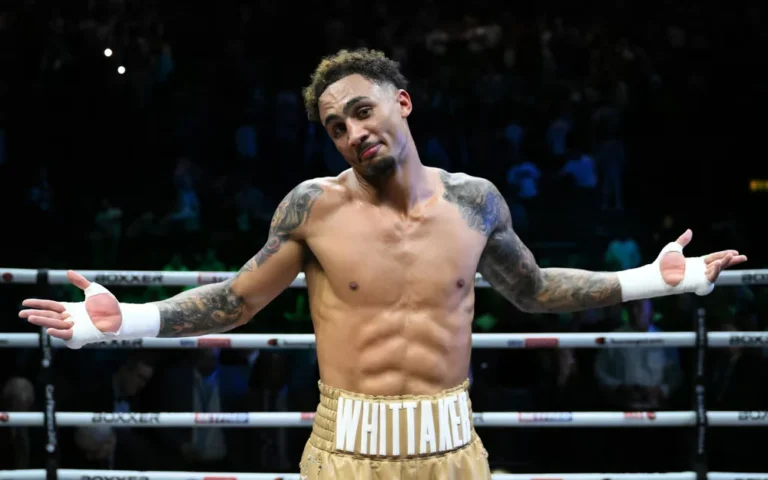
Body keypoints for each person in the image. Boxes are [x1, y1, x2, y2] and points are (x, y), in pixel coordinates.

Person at [20, 48, 747, 479]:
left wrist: (651, 280)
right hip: (346, 449)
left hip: (451, 446)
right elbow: (238, 301)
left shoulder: (477, 203)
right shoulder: (313, 208)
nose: (352, 132)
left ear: (402, 103)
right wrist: (127, 321)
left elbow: (533, 289)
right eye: (336, 127)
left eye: (363, 112)